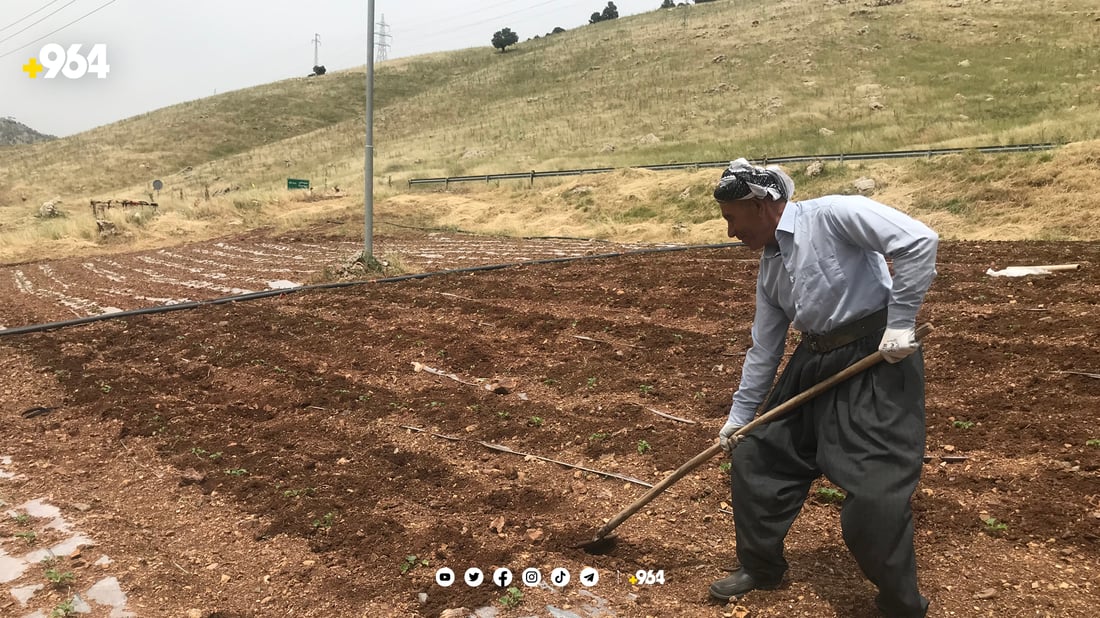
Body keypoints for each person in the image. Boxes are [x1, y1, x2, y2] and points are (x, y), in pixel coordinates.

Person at [708, 158, 938, 618]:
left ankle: (900, 605)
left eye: (731, 217)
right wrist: (740, 417)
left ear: (760, 204)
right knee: (756, 453)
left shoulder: (833, 213)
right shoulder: (771, 267)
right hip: (813, 360)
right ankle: (761, 567)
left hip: (875, 358)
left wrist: (899, 323)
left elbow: (918, 240)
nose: (730, 232)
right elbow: (764, 349)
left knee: (875, 491)